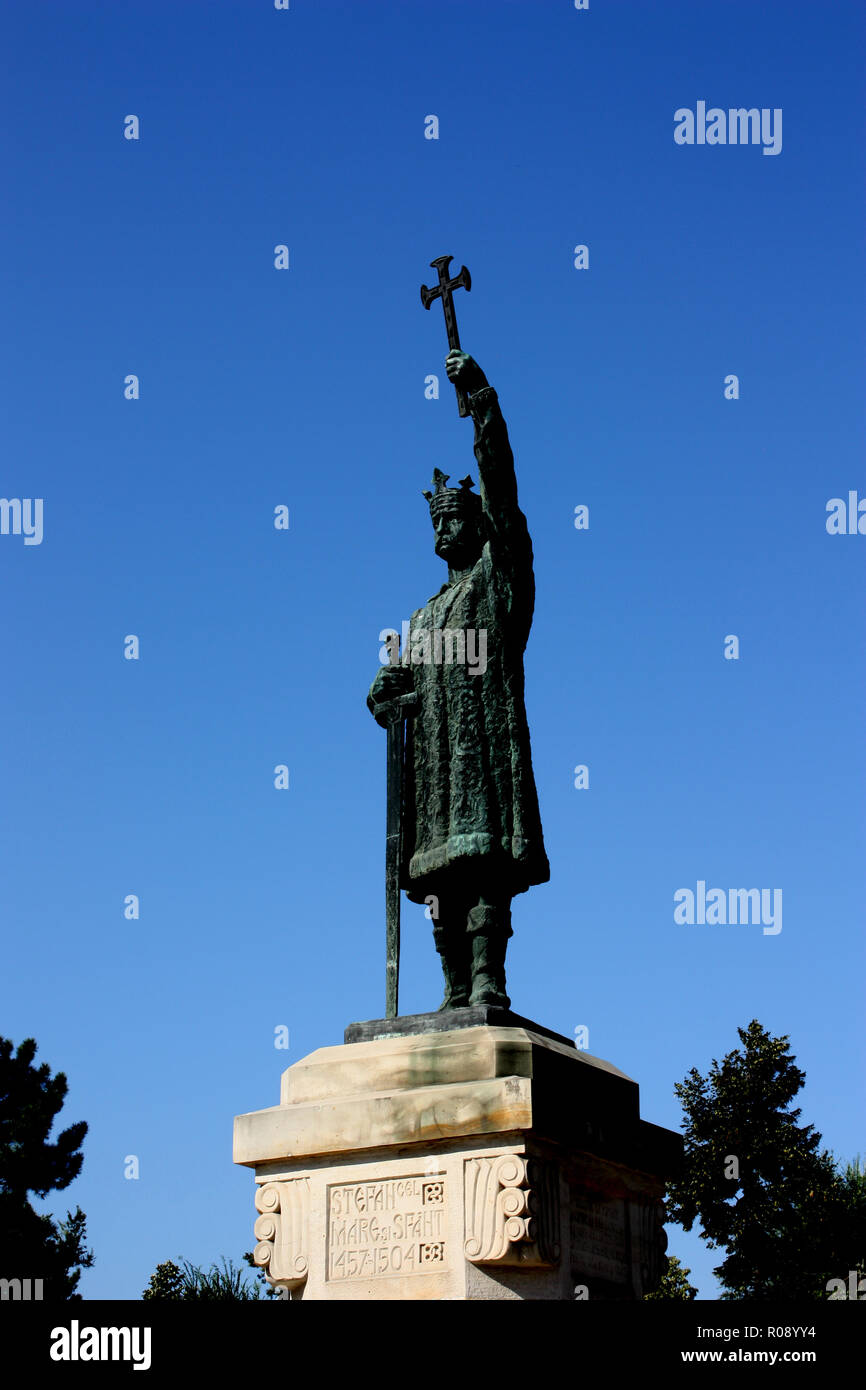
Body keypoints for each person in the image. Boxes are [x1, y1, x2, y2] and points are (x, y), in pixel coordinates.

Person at [367, 350, 549, 1009]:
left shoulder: (498, 583)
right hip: (434, 771)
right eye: (437, 520)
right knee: (437, 874)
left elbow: (503, 495)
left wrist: (481, 403)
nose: (446, 527)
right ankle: (450, 987)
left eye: (457, 518)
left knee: (481, 870)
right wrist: (382, 692)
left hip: (481, 763)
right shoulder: (421, 616)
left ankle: (486, 980)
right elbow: (393, 679)